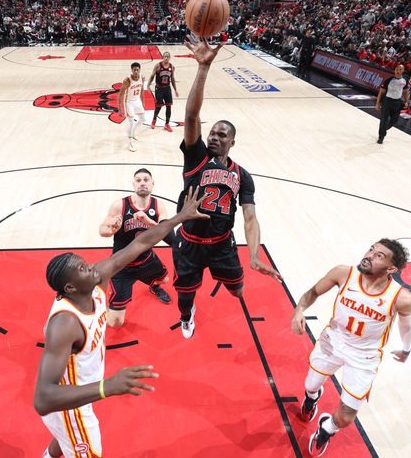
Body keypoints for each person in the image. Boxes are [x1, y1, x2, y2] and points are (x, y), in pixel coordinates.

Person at [34, 187, 208, 458]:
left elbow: (139, 244)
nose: (91, 267)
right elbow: (43, 399)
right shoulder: (65, 324)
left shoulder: (96, 279)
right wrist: (107, 387)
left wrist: (178, 219)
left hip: (78, 397)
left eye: (85, 263)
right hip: (69, 406)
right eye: (82, 269)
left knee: (64, 440)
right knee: (83, 445)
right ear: (69, 287)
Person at [173, 35, 282, 340]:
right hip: (190, 243)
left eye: (222, 135)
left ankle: (227, 277)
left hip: (222, 244)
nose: (215, 137)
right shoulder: (196, 157)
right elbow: (191, 115)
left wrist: (255, 254)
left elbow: (249, 217)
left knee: (237, 290)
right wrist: (203, 67)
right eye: (213, 133)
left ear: (232, 142)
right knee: (185, 297)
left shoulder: (243, 176)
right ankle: (187, 317)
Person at [290, 239, 411, 457]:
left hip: (364, 356)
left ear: (392, 268)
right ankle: (312, 397)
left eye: (379, 256)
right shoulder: (343, 273)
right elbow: (312, 292)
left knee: (346, 417)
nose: (369, 255)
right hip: (333, 342)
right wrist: (299, 310)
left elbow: (406, 326)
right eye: (371, 249)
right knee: (310, 385)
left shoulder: (402, 298)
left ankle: (327, 428)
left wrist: (406, 349)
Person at [99, 168, 173, 327]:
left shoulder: (158, 206)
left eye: (146, 180)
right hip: (122, 267)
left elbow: (168, 235)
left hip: (146, 260)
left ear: (152, 184)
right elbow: (102, 230)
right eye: (138, 180)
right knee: (115, 322)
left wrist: (149, 222)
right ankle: (98, 308)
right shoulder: (120, 205)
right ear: (133, 184)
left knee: (164, 280)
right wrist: (110, 229)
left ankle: (154, 287)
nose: (142, 183)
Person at [375, 64, 409, 144]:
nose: (398, 71)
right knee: (383, 120)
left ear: (403, 71)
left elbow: (405, 92)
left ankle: (384, 129)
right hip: (387, 101)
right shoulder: (389, 80)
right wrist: (377, 103)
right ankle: (381, 137)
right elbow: (381, 92)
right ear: (394, 70)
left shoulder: (404, 81)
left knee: (394, 120)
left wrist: (406, 101)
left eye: (400, 69)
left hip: (397, 102)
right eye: (397, 69)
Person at [147, 52, 179, 132]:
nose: (166, 58)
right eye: (165, 56)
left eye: (167, 57)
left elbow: (172, 79)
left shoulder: (172, 67)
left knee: (169, 106)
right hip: (159, 89)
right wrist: (148, 85)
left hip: (167, 89)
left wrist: (175, 89)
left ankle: (167, 124)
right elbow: (152, 76)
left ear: (169, 58)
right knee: (159, 105)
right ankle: (154, 119)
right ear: (162, 57)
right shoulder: (158, 66)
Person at [118, 62, 145, 152]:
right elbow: (120, 94)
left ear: (139, 70)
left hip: (138, 101)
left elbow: (141, 91)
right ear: (131, 70)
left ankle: (132, 132)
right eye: (134, 70)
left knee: (142, 119)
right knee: (131, 122)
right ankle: (130, 143)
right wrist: (120, 108)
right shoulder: (127, 80)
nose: (136, 71)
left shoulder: (142, 77)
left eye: (137, 70)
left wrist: (143, 102)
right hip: (129, 102)